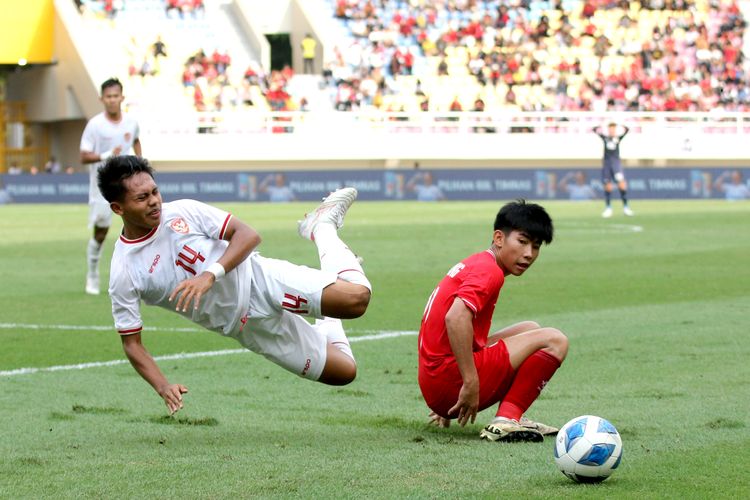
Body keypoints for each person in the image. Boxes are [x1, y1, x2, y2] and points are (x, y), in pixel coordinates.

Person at [98, 156, 371, 414]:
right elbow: (132, 343)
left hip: (260, 280)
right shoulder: (124, 270)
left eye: (155, 192)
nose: (154, 202)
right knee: (345, 372)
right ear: (118, 208)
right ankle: (327, 315)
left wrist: (210, 275)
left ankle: (321, 227)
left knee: (356, 300)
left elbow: (248, 234)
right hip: (248, 327)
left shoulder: (183, 211)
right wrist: (162, 386)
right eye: (142, 198)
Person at [418, 200, 568, 442]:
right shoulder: (490, 271)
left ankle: (512, 416)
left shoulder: (479, 262)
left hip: (435, 378)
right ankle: (506, 419)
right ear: (499, 238)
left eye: (536, 246)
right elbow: (455, 318)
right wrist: (469, 380)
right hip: (449, 383)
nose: (529, 254)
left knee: (531, 329)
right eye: (522, 242)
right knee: (555, 340)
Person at [80, 78, 141, 295]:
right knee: (101, 232)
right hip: (102, 186)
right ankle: (93, 274)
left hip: (128, 185)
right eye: (108, 96)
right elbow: (83, 156)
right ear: (102, 99)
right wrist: (106, 156)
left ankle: (139, 277)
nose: (112, 100)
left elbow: (135, 141)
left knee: (139, 227)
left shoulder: (131, 122)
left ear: (122, 97)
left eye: (116, 96)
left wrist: (140, 167)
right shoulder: (95, 125)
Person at [593, 122, 633, 217]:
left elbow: (627, 130)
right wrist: (601, 126)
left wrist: (621, 124)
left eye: (613, 128)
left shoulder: (618, 138)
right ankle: (608, 208)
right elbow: (594, 129)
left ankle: (626, 207)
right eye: (610, 128)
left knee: (622, 185)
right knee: (607, 186)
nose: (612, 130)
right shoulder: (605, 138)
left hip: (616, 164)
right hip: (607, 165)